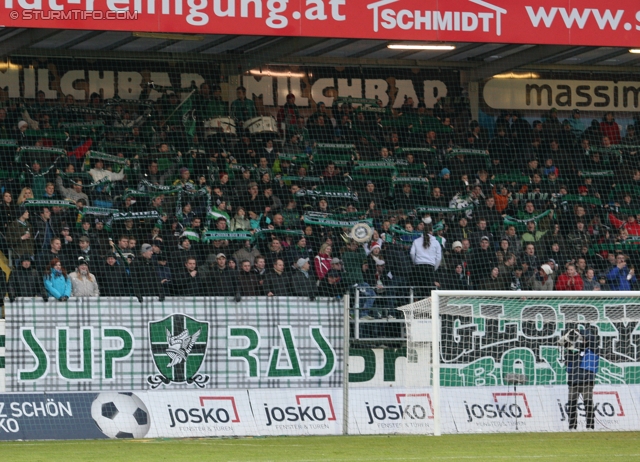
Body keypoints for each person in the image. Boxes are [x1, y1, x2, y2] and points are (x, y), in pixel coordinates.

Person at [562, 325, 600, 430]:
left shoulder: (593, 350)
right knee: (572, 405)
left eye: (582, 339)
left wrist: (578, 331)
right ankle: (572, 427)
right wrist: (567, 337)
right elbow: (565, 344)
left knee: (588, 404)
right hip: (573, 382)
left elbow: (591, 338)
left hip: (587, 381)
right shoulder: (573, 354)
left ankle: (590, 427)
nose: (580, 340)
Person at [409, 224, 442, 298]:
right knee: (428, 292)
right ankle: (428, 309)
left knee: (418, 291)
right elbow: (439, 258)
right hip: (430, 268)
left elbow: (411, 253)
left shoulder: (416, 241)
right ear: (431, 231)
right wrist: (434, 267)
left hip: (418, 268)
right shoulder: (436, 242)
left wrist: (415, 262)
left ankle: (417, 309)